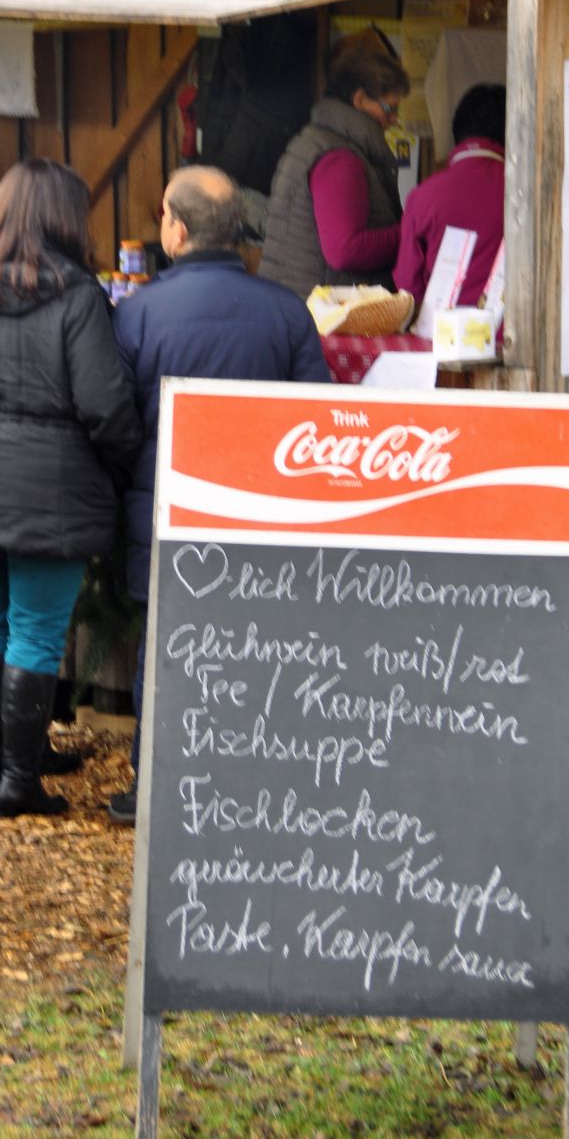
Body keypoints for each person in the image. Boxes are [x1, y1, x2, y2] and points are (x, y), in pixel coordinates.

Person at [110, 165, 331, 824]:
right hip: (261, 517)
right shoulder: (288, 310)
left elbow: (117, 421)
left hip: (165, 513)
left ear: (175, 228)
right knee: (260, 655)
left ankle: (154, 790)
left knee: (165, 654)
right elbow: (317, 422)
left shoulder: (138, 313)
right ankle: (253, 787)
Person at [0, 159, 142, 820]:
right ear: (62, 217)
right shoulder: (77, 295)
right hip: (52, 489)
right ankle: (16, 782)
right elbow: (104, 406)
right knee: (33, 631)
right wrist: (119, 468)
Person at [259, 35, 410, 299]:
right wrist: (410, 232)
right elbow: (345, 249)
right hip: (322, 315)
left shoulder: (316, 140)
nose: (394, 120)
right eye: (389, 108)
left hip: (299, 303)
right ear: (360, 100)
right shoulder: (339, 158)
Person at [393, 83, 506, 309]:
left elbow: (407, 284)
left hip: (443, 333)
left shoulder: (423, 196)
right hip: (514, 333)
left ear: (457, 132)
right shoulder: (525, 193)